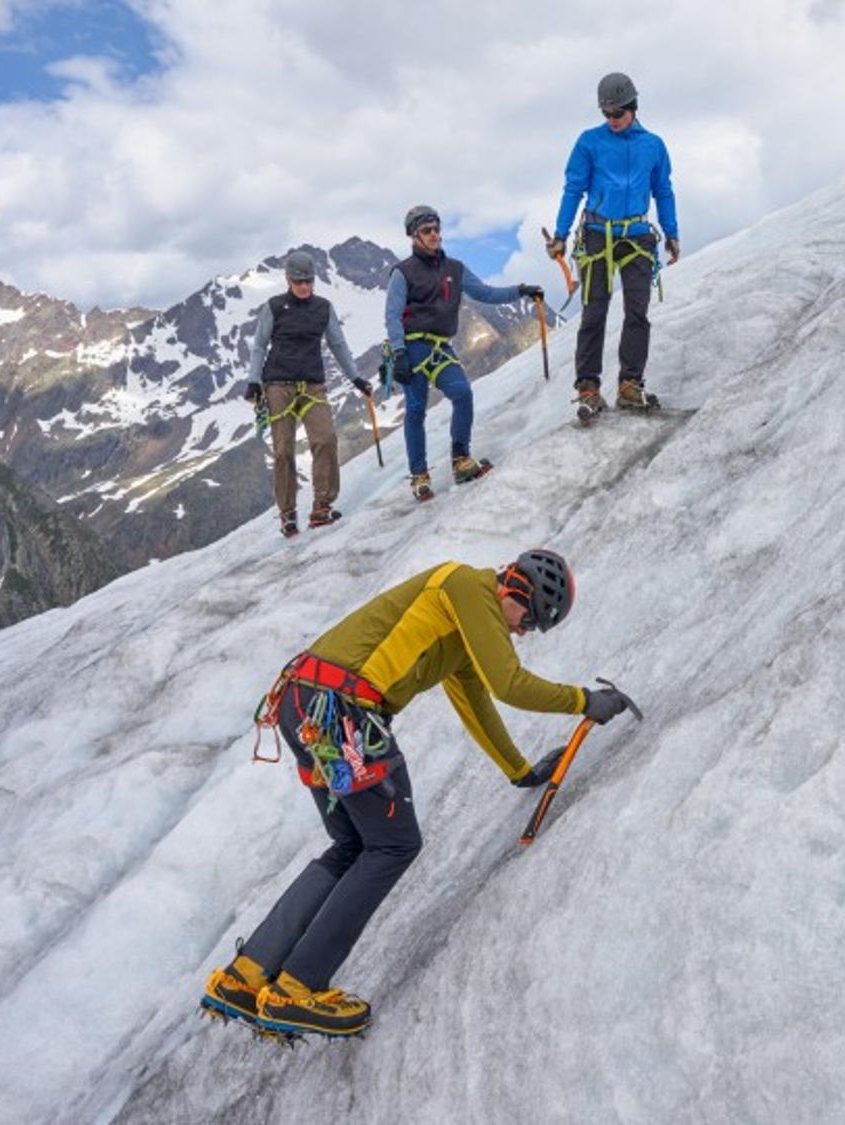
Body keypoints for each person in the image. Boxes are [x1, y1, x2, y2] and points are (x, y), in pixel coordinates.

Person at [199, 549, 631, 1039]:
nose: (522, 632)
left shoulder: (462, 624)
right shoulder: (468, 586)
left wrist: (521, 772)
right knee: (394, 844)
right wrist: (583, 700)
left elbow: (478, 704)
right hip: (342, 709)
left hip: (308, 703)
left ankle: (245, 977)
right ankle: (296, 989)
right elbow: (509, 684)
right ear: (518, 590)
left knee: (353, 846)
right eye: (528, 620)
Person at [385, 204, 544, 501]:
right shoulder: (402, 273)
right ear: (414, 235)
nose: (434, 235)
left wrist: (521, 290)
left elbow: (485, 293)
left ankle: (461, 459)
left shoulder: (454, 269)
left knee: (462, 392)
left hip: (439, 346)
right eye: (426, 230)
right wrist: (398, 352)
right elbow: (392, 315)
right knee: (416, 409)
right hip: (412, 348)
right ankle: (419, 476)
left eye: (436, 229)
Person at [547, 71, 680, 416]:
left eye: (617, 113)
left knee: (637, 311)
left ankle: (629, 385)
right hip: (597, 234)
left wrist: (672, 233)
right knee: (594, 311)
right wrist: (561, 234)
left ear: (632, 107)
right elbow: (573, 189)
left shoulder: (653, 145)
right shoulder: (589, 142)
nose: (611, 120)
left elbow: (663, 191)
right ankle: (589, 387)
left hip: (636, 235)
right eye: (605, 114)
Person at [244, 249, 371, 537]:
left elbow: (338, 344)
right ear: (288, 280)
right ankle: (287, 514)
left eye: (308, 281)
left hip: (312, 384)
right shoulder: (274, 307)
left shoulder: (323, 308)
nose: (304, 287)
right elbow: (260, 346)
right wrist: (254, 380)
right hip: (278, 384)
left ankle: (322, 506)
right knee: (283, 451)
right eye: (298, 281)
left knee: (325, 439)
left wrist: (356, 378)